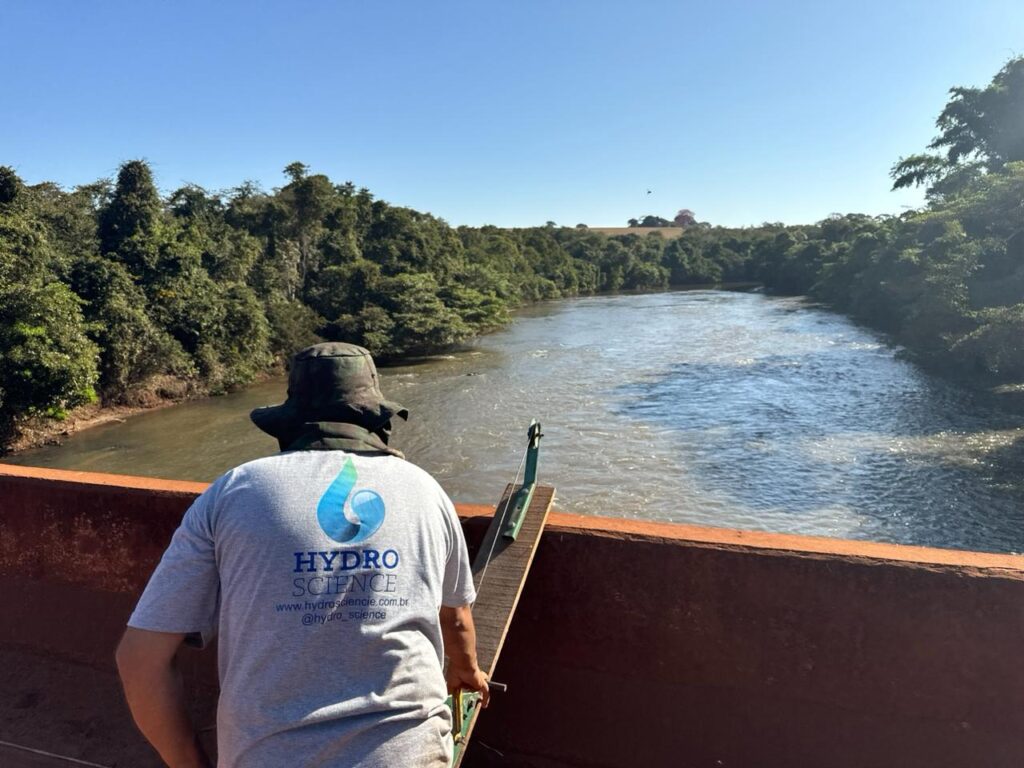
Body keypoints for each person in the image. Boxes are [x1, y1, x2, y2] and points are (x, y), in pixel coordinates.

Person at [116, 342, 489, 768]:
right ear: (377, 420)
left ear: (288, 422)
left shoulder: (235, 490)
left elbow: (139, 660)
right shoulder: (425, 490)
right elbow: (455, 618)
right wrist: (467, 672)